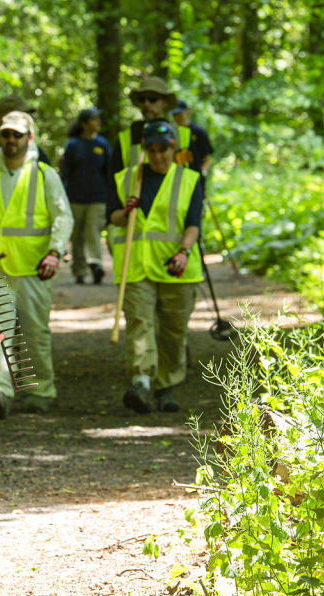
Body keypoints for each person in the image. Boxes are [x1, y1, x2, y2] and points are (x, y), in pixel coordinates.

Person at [0, 111, 73, 419]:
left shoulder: (45, 175)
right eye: (6, 134)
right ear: (0, 138)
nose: (11, 140)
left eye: (17, 135)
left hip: (34, 267)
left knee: (35, 331)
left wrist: (54, 252)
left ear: (30, 138)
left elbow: (63, 218)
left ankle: (39, 390)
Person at [106, 120, 204, 414]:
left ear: (174, 147)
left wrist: (184, 252)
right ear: (145, 149)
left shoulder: (190, 180)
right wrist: (126, 212)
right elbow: (112, 218)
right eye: (152, 149)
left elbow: (193, 225)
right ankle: (142, 381)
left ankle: (166, 386)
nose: (158, 155)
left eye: (164, 149)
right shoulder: (127, 179)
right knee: (140, 323)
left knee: (173, 332)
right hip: (136, 267)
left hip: (177, 268)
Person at [61, 107, 111, 285]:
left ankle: (96, 264)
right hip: (75, 198)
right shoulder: (73, 144)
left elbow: (109, 172)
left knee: (93, 232)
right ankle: (79, 270)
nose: (97, 123)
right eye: (94, 119)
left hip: (98, 198)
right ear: (84, 123)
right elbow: (65, 172)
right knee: (78, 236)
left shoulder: (103, 145)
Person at [109, 76, 177, 176]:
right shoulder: (126, 137)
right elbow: (114, 179)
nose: (146, 103)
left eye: (153, 99)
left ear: (165, 103)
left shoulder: (179, 134)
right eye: (142, 99)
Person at [170, 99, 214, 192]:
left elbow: (207, 159)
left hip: (195, 180)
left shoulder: (198, 132)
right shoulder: (170, 132)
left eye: (179, 114)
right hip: (175, 180)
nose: (177, 117)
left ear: (187, 111)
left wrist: (202, 174)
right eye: (174, 114)